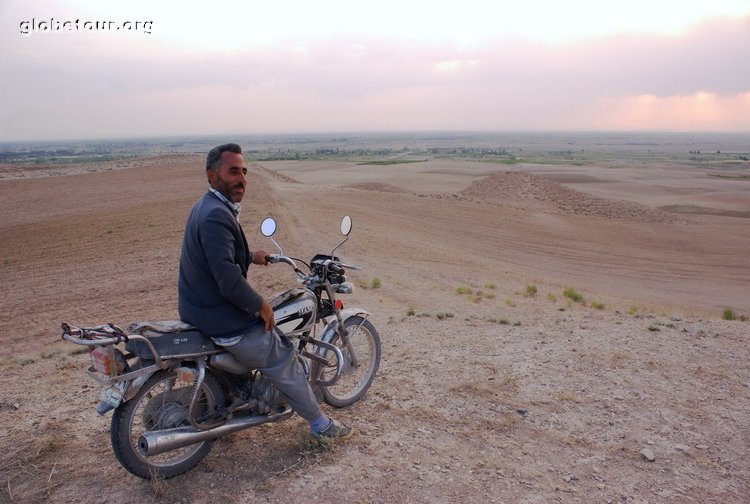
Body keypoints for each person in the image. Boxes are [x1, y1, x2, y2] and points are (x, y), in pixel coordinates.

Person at [177, 143, 352, 440]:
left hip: (197, 308)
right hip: (219, 317)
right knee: (284, 356)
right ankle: (321, 426)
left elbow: (218, 257)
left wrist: (250, 255)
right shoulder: (217, 216)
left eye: (244, 171)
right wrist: (260, 304)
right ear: (212, 175)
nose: (242, 178)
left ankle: (239, 393)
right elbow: (228, 280)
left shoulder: (206, 205)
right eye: (233, 171)